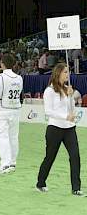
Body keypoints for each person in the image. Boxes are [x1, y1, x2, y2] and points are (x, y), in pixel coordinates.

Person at [36, 63, 83, 196]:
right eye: (65, 72)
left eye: (68, 72)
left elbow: (71, 110)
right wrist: (65, 116)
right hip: (54, 128)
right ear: (58, 74)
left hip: (69, 129)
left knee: (75, 157)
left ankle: (76, 188)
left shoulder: (68, 89)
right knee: (50, 157)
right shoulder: (49, 91)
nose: (68, 75)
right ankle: (41, 183)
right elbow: (48, 111)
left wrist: (70, 96)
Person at [0, 54, 23, 174]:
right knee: (13, 137)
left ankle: (5, 164)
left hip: (3, 110)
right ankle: (12, 163)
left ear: (2, 64)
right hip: (15, 109)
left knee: (3, 137)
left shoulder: (0, 78)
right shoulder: (19, 78)